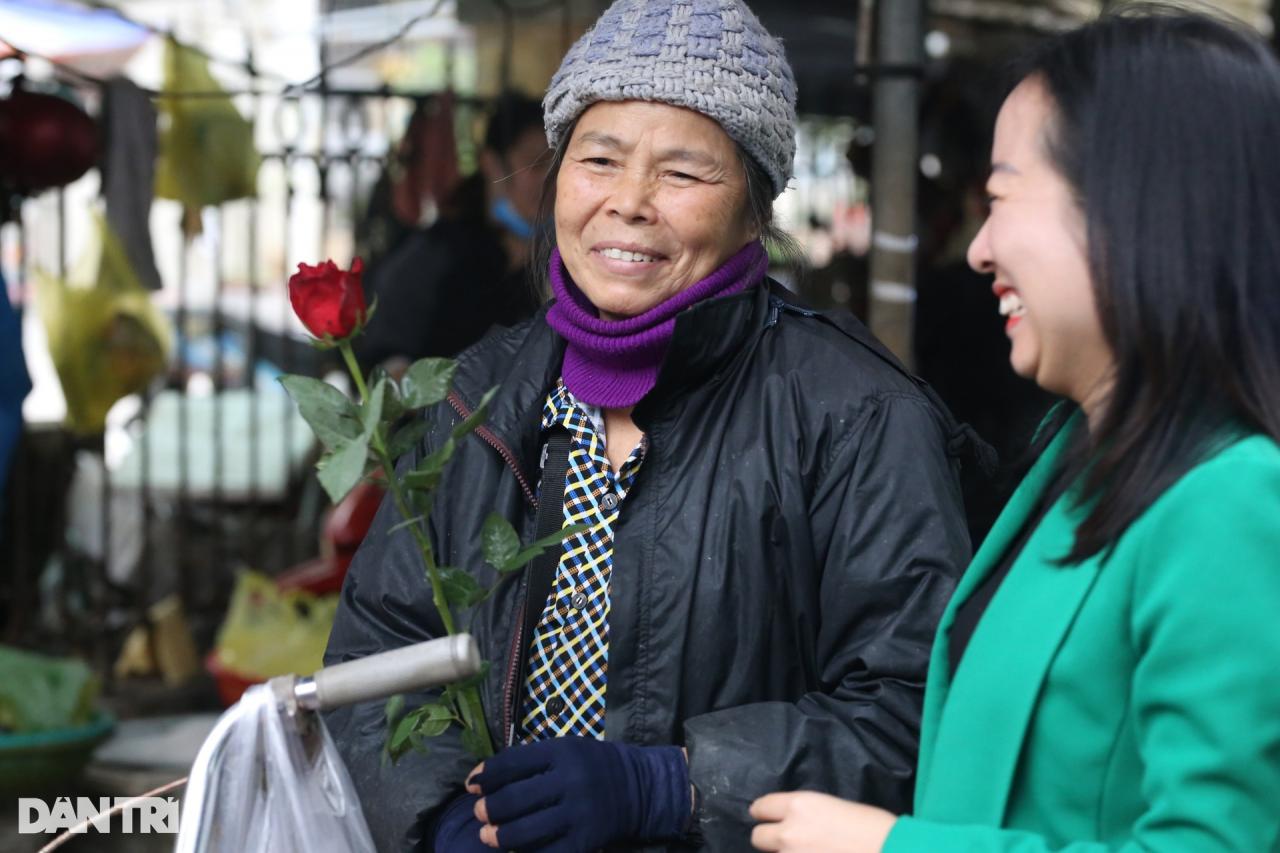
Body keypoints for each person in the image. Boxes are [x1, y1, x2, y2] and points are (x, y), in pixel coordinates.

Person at [325, 0, 976, 850]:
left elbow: (915, 713)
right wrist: (443, 813)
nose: (629, 203)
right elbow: (374, 663)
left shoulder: (856, 418)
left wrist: (677, 786)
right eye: (598, 159)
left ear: (755, 207)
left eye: (682, 173)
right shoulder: (481, 396)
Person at [749, 7, 1280, 852]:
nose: (978, 248)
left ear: (1132, 206)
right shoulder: (1079, 453)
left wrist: (892, 846)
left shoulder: (1234, 497)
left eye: (1000, 198)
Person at [354, 92, 548, 371]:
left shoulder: (558, 259)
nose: (549, 180)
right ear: (492, 164)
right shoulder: (436, 254)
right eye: (536, 164)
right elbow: (384, 357)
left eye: (558, 165)